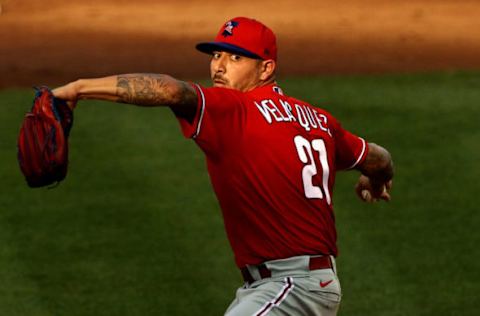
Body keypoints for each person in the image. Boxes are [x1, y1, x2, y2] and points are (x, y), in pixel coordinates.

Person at [53, 17, 393, 316]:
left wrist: (79, 88)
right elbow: (379, 157)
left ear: (266, 69)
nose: (219, 66)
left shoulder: (235, 109)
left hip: (292, 288)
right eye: (216, 55)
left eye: (235, 57)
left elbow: (171, 90)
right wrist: (376, 180)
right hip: (298, 286)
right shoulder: (318, 119)